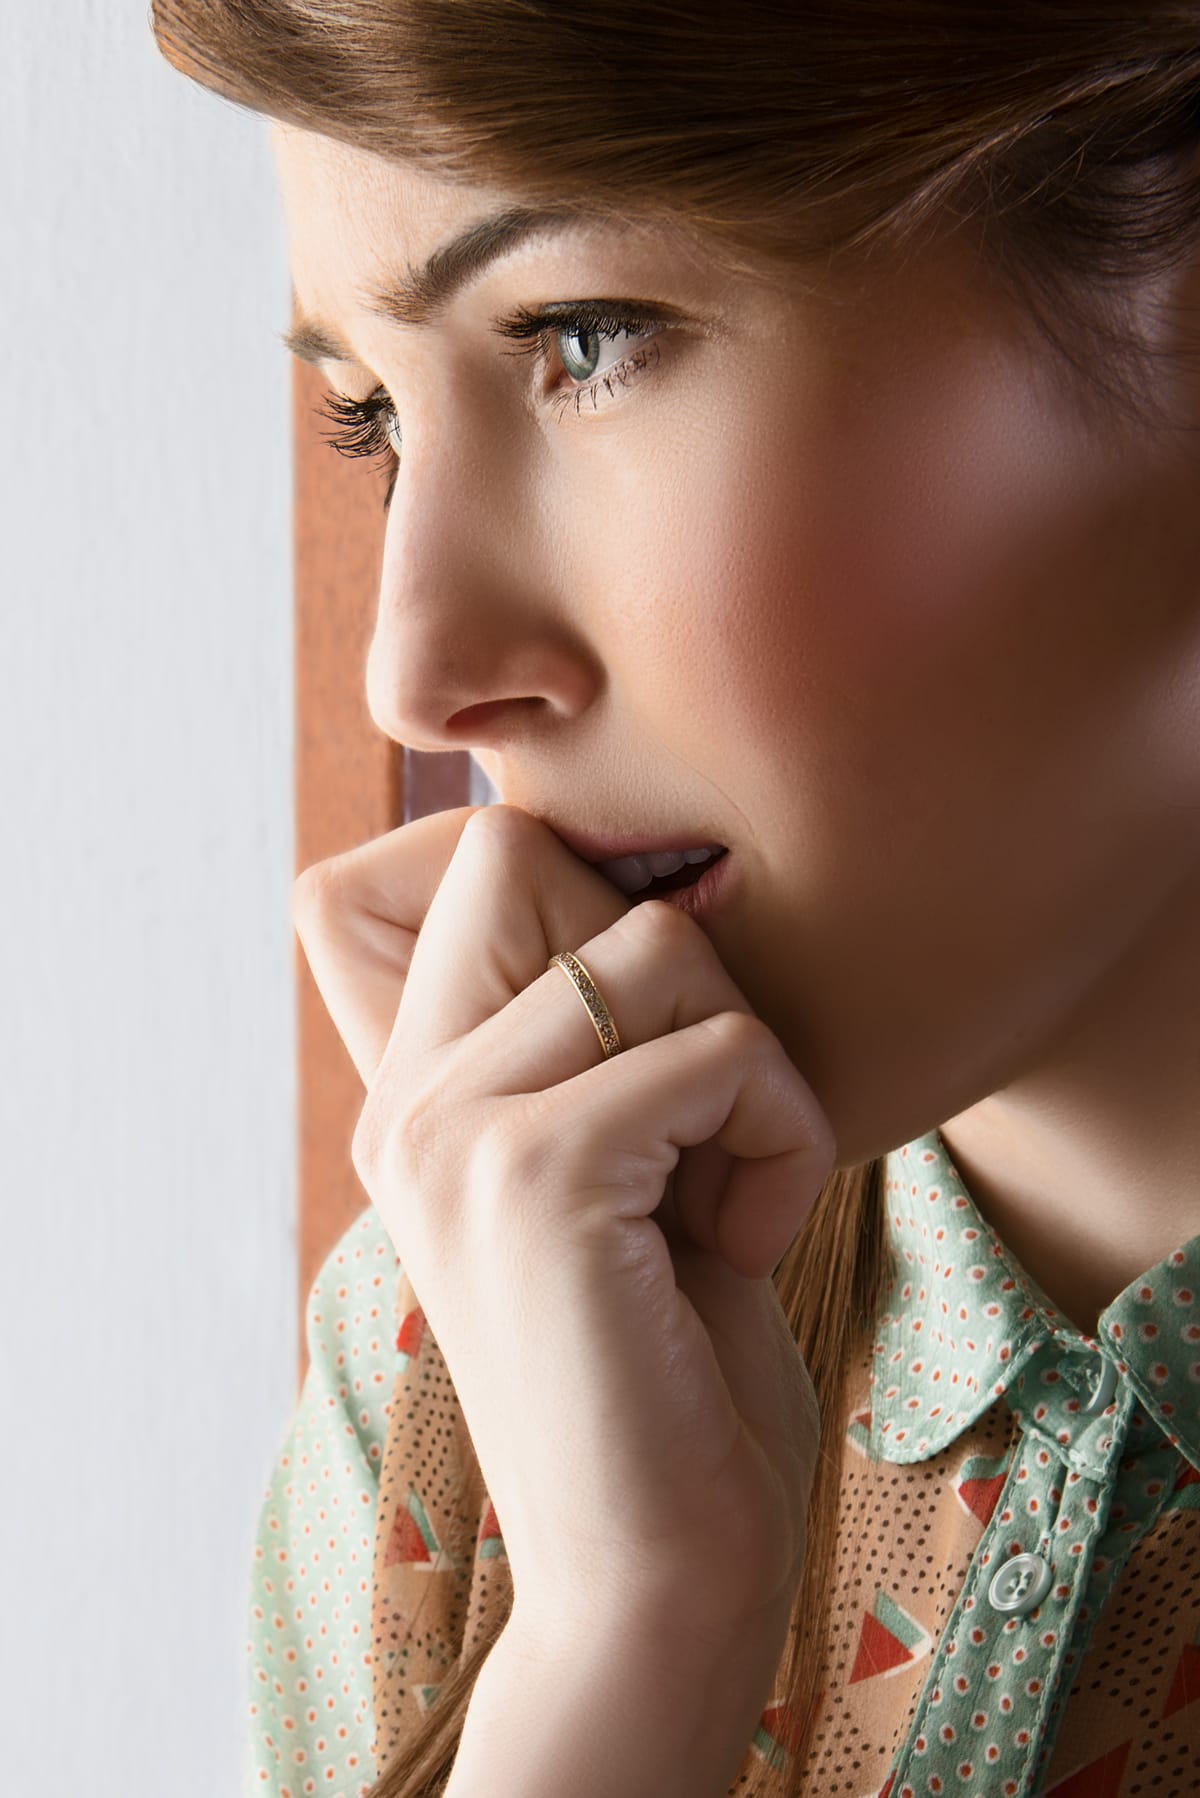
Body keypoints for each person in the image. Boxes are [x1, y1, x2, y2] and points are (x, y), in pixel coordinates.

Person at [151, 5, 1200, 1795]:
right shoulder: (464, 1369)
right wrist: (622, 1647)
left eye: (586, 338)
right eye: (370, 417)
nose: (415, 669)